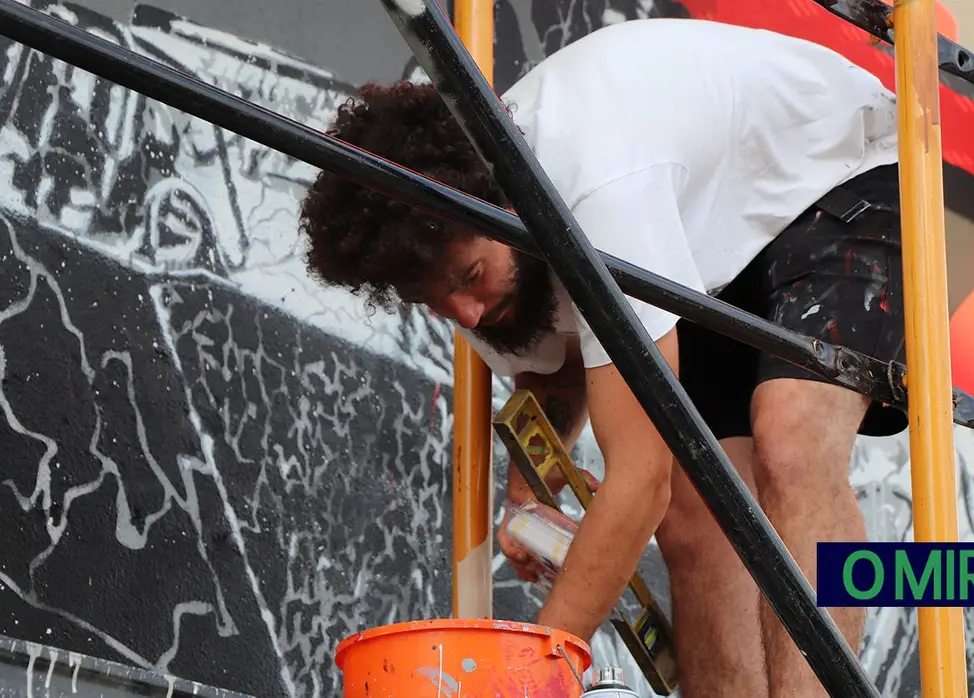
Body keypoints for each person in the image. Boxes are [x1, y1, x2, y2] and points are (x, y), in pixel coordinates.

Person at [299, 17, 905, 697]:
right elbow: (554, 369)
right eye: (435, 302)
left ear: (501, 205)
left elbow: (637, 478)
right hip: (705, 242)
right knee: (695, 512)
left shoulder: (598, 185)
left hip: (838, 172)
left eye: (469, 280)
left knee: (789, 439)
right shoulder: (463, 263)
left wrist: (525, 679)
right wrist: (529, 494)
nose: (464, 316)